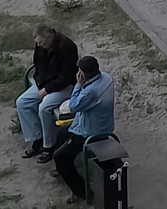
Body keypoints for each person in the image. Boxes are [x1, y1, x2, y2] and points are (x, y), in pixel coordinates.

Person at [49, 55, 116, 200]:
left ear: (83, 74)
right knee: (62, 132)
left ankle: (83, 193)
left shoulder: (90, 91)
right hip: (103, 124)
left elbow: (73, 106)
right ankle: (63, 171)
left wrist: (78, 85)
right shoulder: (106, 78)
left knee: (60, 157)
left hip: (89, 132)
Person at [15, 23, 79, 159]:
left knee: (44, 108)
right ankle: (37, 138)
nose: (38, 45)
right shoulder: (41, 46)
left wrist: (47, 89)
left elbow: (66, 76)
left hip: (65, 86)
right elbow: (38, 66)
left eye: (40, 42)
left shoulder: (67, 47)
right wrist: (40, 84)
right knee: (22, 102)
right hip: (46, 83)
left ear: (49, 37)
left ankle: (49, 145)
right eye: (37, 43)